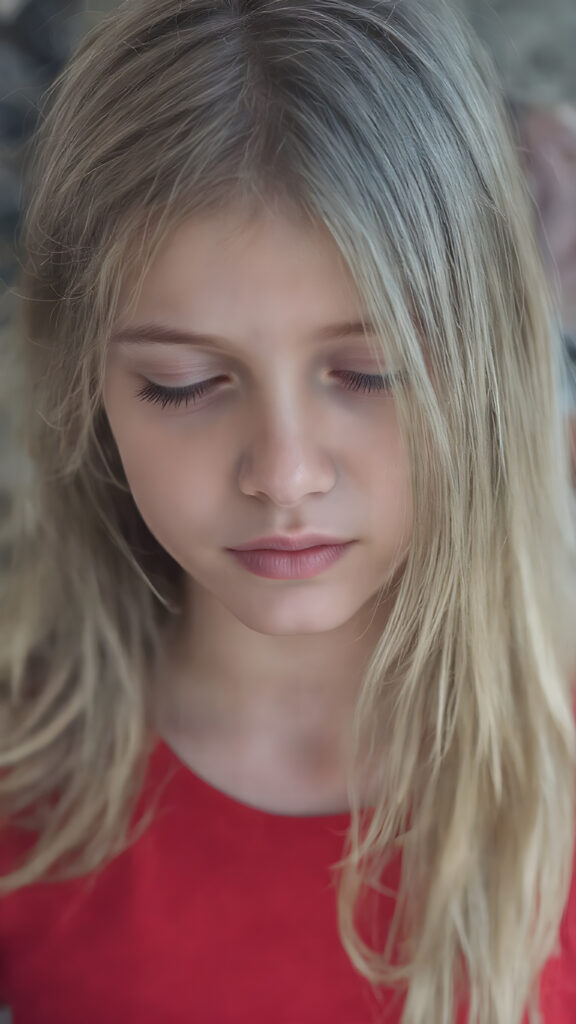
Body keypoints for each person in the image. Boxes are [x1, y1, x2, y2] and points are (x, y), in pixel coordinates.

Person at [0, 1, 575, 1022]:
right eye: (181, 383)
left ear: (489, 358)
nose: (286, 472)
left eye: (370, 370)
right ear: (86, 385)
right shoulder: (22, 787)